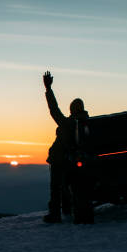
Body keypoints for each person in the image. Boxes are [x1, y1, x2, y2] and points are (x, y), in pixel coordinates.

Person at [42, 71, 89, 223]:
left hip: (60, 159)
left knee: (56, 187)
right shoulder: (87, 124)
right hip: (73, 159)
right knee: (65, 185)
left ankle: (55, 214)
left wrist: (48, 89)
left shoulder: (69, 123)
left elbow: (54, 110)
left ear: (73, 109)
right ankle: (66, 208)